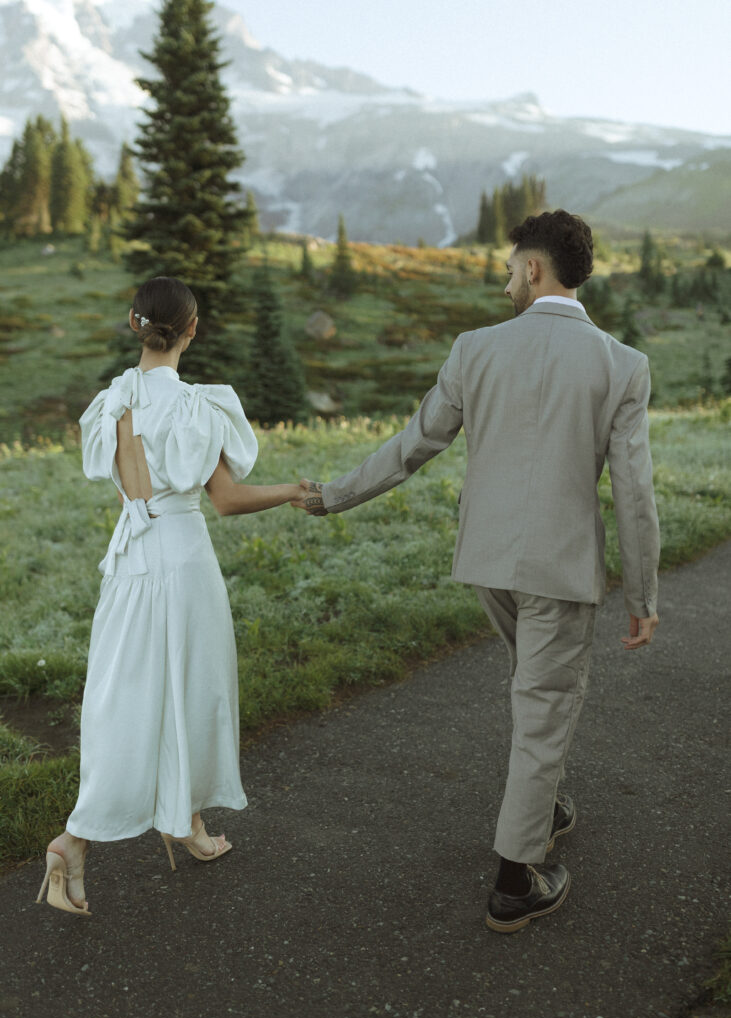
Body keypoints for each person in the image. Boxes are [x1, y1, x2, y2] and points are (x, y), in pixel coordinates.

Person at [293, 210, 660, 932]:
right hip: (559, 570)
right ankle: (514, 881)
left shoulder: (474, 349)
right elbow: (634, 490)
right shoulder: (621, 365)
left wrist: (331, 496)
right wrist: (643, 593)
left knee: (535, 695)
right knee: (545, 704)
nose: (502, 281)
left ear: (532, 268)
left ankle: (543, 802)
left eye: (506, 266)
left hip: (488, 563)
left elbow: (411, 446)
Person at [37, 276, 306, 916]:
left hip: (130, 562)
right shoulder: (194, 408)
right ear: (192, 329)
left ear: (135, 324)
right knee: (193, 688)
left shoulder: (111, 404)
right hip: (182, 560)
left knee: (125, 698)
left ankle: (162, 823)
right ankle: (125, 828)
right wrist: (293, 491)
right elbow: (228, 500)